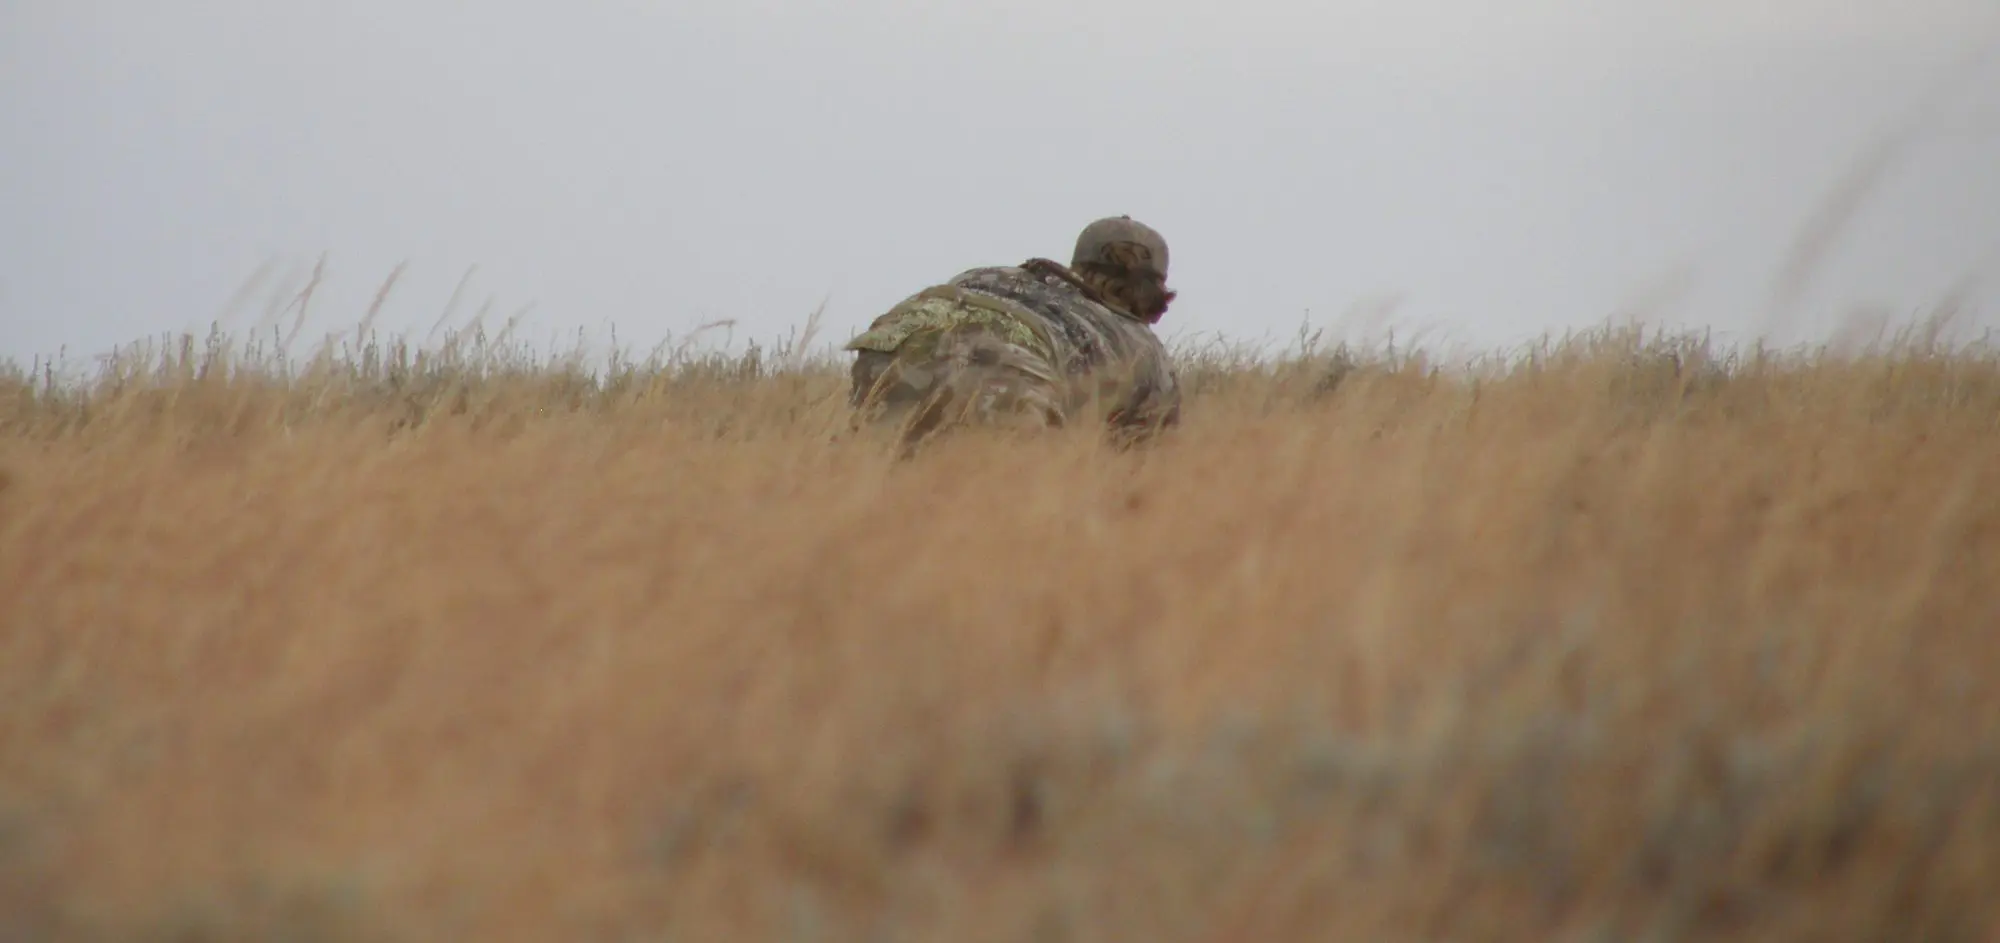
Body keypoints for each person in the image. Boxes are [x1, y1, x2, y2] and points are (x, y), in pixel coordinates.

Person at [843, 216, 1183, 455]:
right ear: (1155, 287)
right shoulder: (1143, 347)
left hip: (902, 333)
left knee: (881, 469)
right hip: (1011, 362)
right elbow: (1142, 467)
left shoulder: (993, 273)